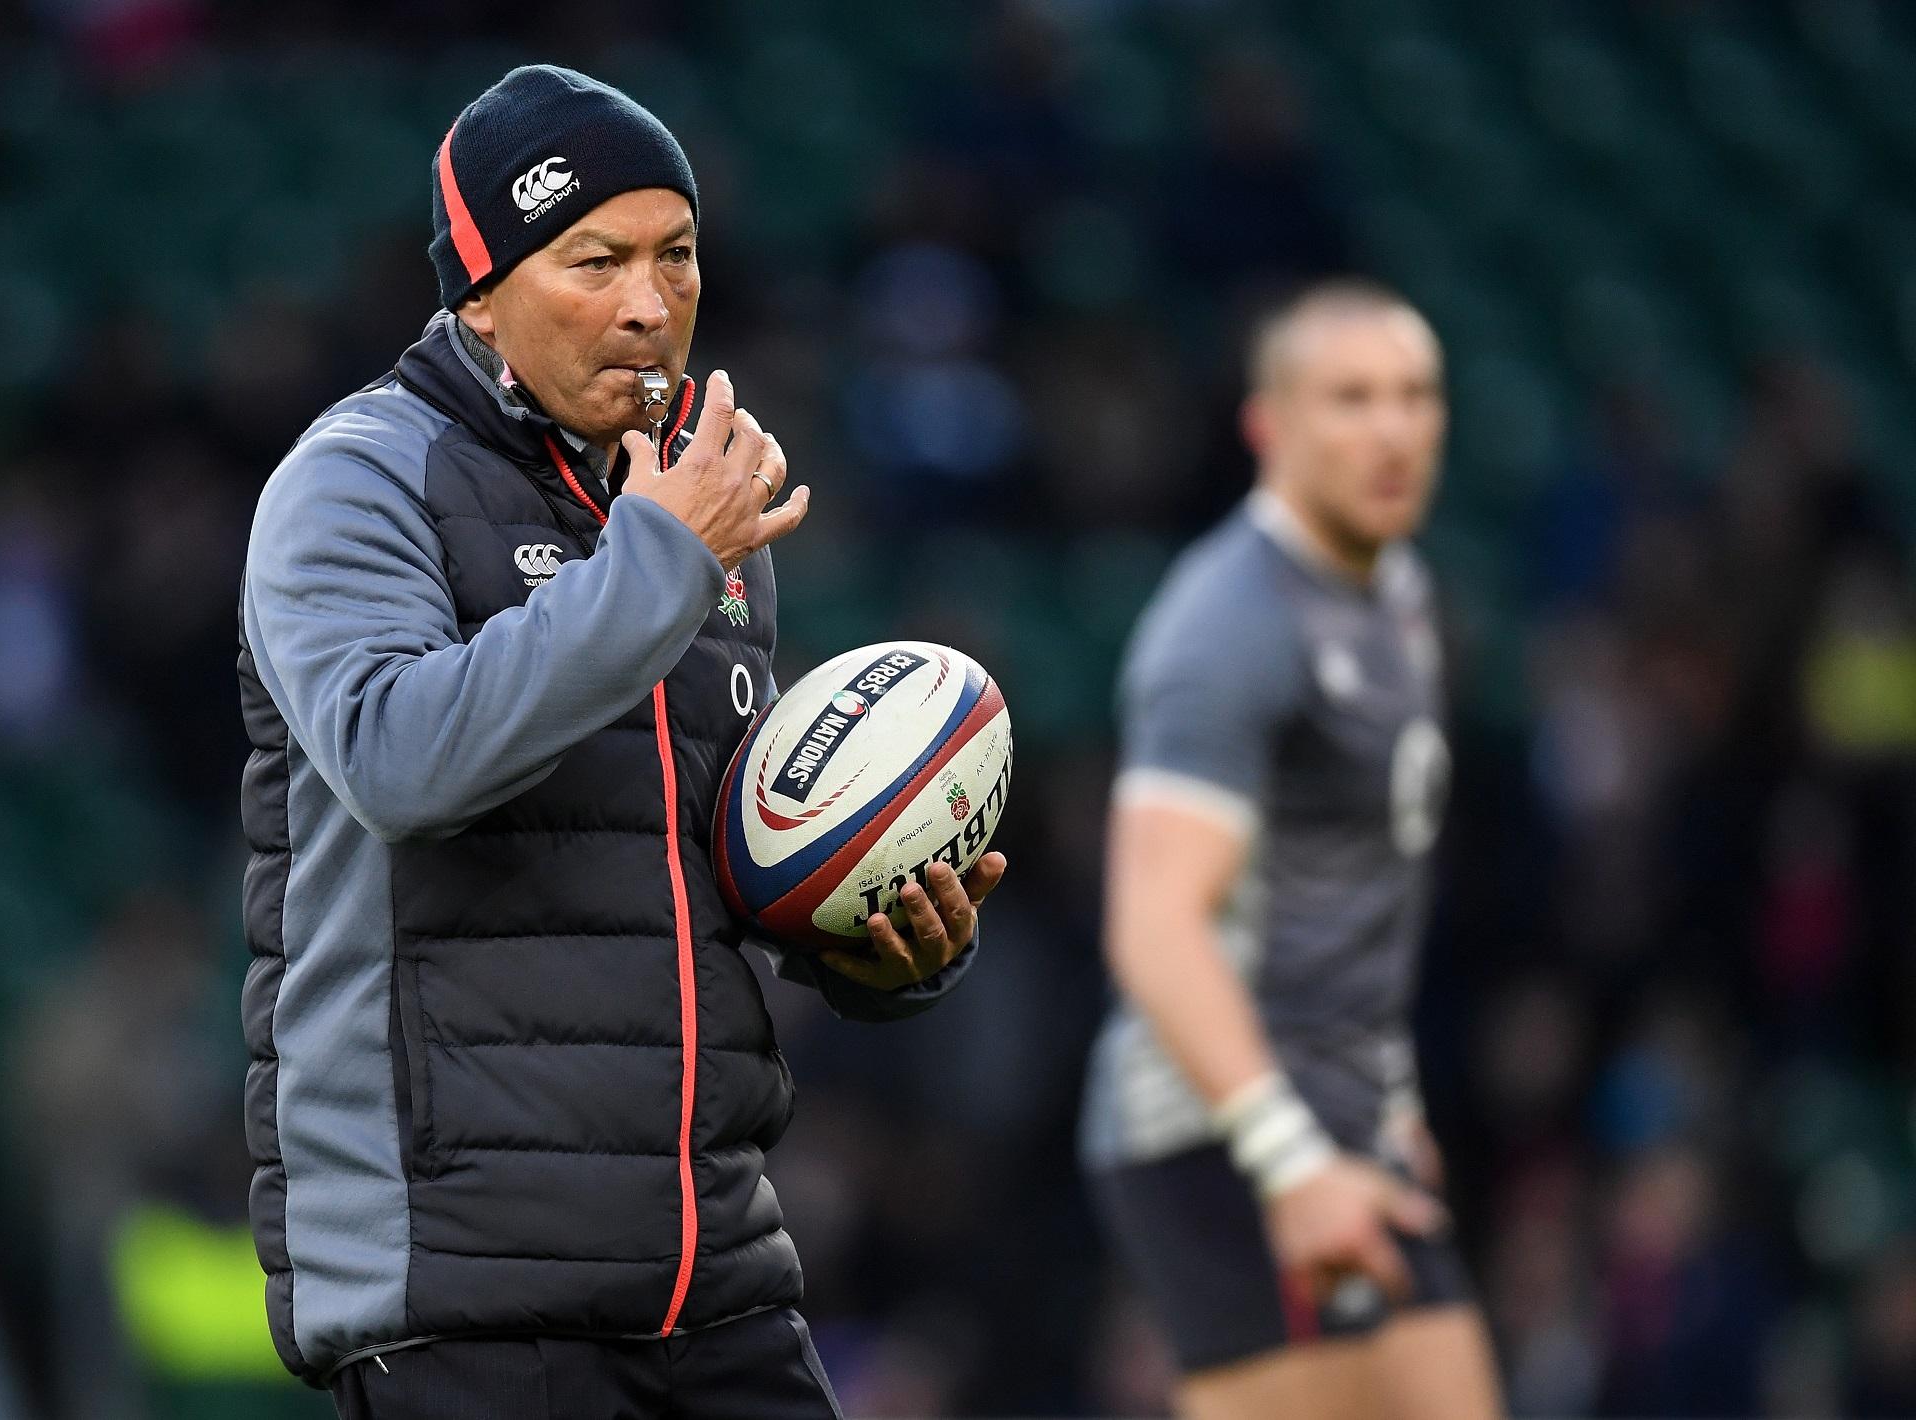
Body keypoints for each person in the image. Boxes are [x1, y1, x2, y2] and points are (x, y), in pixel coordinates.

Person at [236, 64, 1005, 1419]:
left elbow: (709, 878)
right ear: (477, 288)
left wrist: (876, 942)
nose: (650, 305)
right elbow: (400, 762)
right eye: (593, 261)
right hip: (469, 1298)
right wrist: (658, 562)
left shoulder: (696, 526)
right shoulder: (355, 479)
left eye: (677, 255)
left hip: (714, 1276)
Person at [1079, 279, 1502, 1420]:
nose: (1392, 429)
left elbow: (1348, 891)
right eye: (1350, 399)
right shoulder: (1227, 625)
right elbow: (1153, 923)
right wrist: (1289, 1159)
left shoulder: (1398, 591)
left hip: (1341, 1118)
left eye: (1415, 396)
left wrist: (1385, 1096)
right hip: (1226, 1137)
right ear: (1268, 425)